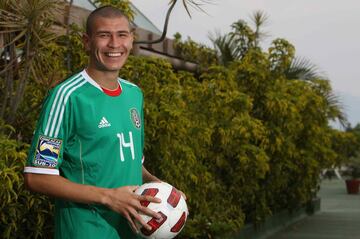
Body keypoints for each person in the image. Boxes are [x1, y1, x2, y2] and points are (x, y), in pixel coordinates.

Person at [24, 5, 170, 239]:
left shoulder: (134, 94)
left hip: (132, 233)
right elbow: (37, 176)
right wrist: (108, 197)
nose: (114, 44)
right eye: (104, 35)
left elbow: (130, 163)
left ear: (131, 40)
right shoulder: (67, 96)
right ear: (87, 41)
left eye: (122, 34)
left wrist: (163, 190)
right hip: (86, 232)